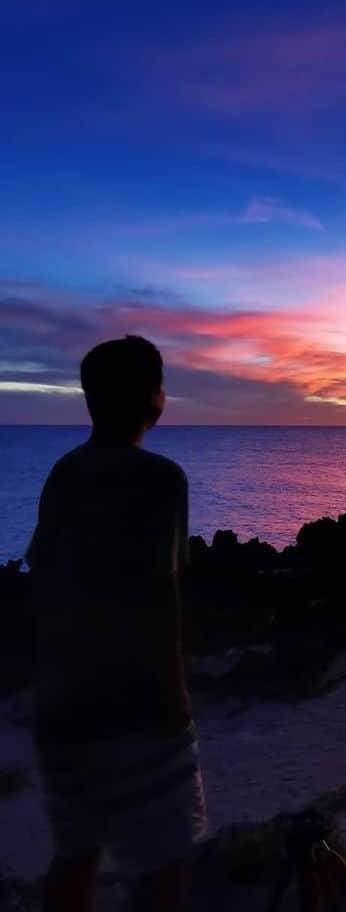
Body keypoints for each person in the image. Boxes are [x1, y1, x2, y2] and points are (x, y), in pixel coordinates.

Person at [26, 336, 206, 912]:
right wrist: (176, 698)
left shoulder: (64, 472)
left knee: (76, 855)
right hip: (138, 706)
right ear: (156, 399)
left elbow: (45, 576)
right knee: (163, 867)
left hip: (61, 702)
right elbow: (162, 595)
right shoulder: (161, 479)